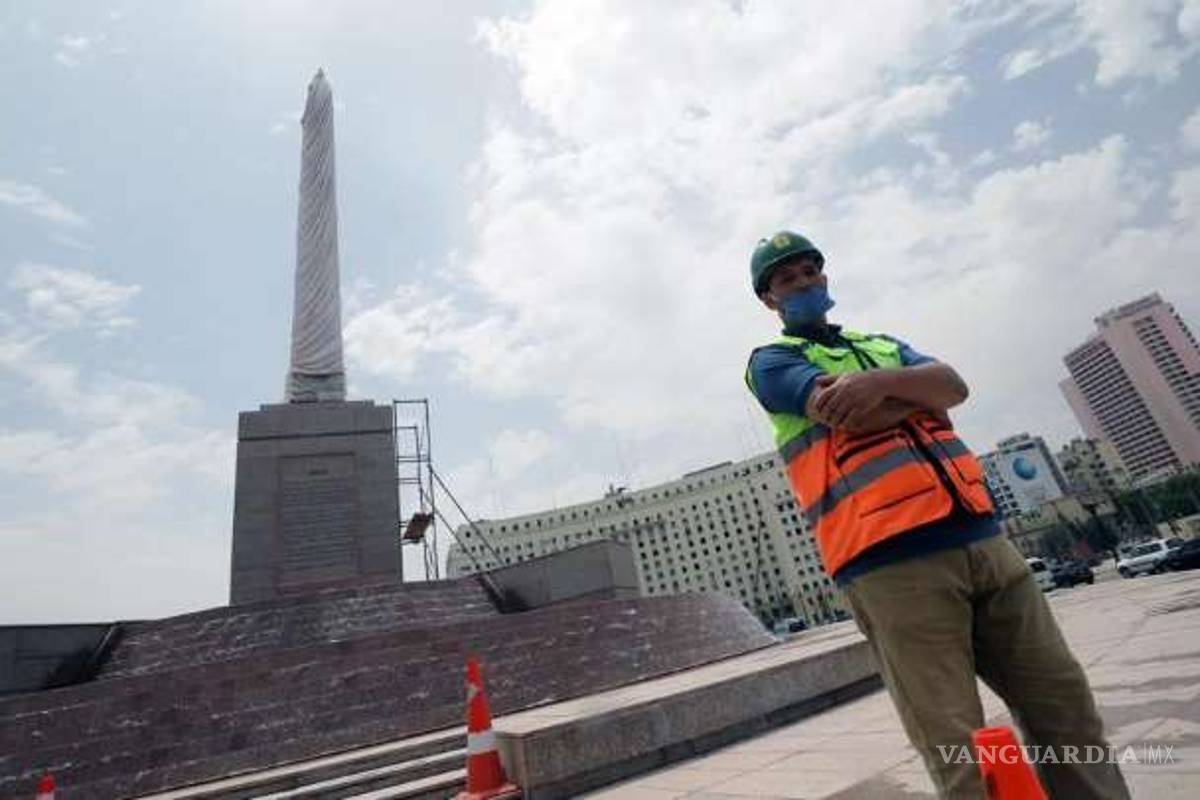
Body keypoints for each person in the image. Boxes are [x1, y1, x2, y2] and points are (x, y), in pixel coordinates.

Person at [743, 230, 1130, 799]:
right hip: (890, 565)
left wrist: (881, 383)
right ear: (769, 299)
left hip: (986, 543)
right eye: (786, 279)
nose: (803, 283)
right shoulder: (774, 362)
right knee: (958, 747)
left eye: (810, 270)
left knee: (1067, 711)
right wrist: (918, 398)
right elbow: (849, 416)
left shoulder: (880, 343)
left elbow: (954, 385)